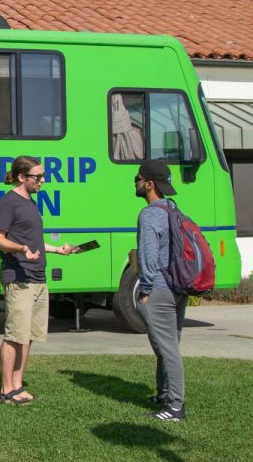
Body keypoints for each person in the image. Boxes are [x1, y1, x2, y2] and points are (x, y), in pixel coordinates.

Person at [0, 156, 76, 404]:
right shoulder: (8, 203)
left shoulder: (31, 203)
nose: (42, 181)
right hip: (18, 277)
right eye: (38, 177)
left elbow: (34, 243)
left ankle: (17, 385)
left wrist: (57, 249)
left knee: (27, 335)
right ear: (21, 177)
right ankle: (6, 390)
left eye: (43, 176)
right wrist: (20, 249)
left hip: (38, 276)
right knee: (14, 335)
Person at [135, 159, 187, 421]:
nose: (135, 181)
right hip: (179, 286)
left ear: (149, 184)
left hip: (160, 288)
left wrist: (145, 289)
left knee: (167, 348)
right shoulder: (172, 208)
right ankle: (164, 394)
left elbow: (149, 256)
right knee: (167, 344)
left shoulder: (149, 214)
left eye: (138, 177)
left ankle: (176, 407)